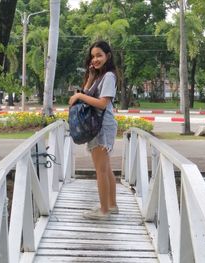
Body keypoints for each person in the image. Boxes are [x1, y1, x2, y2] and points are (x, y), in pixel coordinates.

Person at [69, 40, 119, 220]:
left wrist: (79, 95)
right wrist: (90, 78)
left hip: (101, 126)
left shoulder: (109, 77)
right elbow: (86, 96)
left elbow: (102, 102)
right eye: (93, 56)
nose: (95, 59)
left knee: (101, 170)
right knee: (106, 168)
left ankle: (103, 211)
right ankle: (112, 205)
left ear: (108, 56)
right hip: (99, 124)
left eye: (99, 55)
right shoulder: (99, 77)